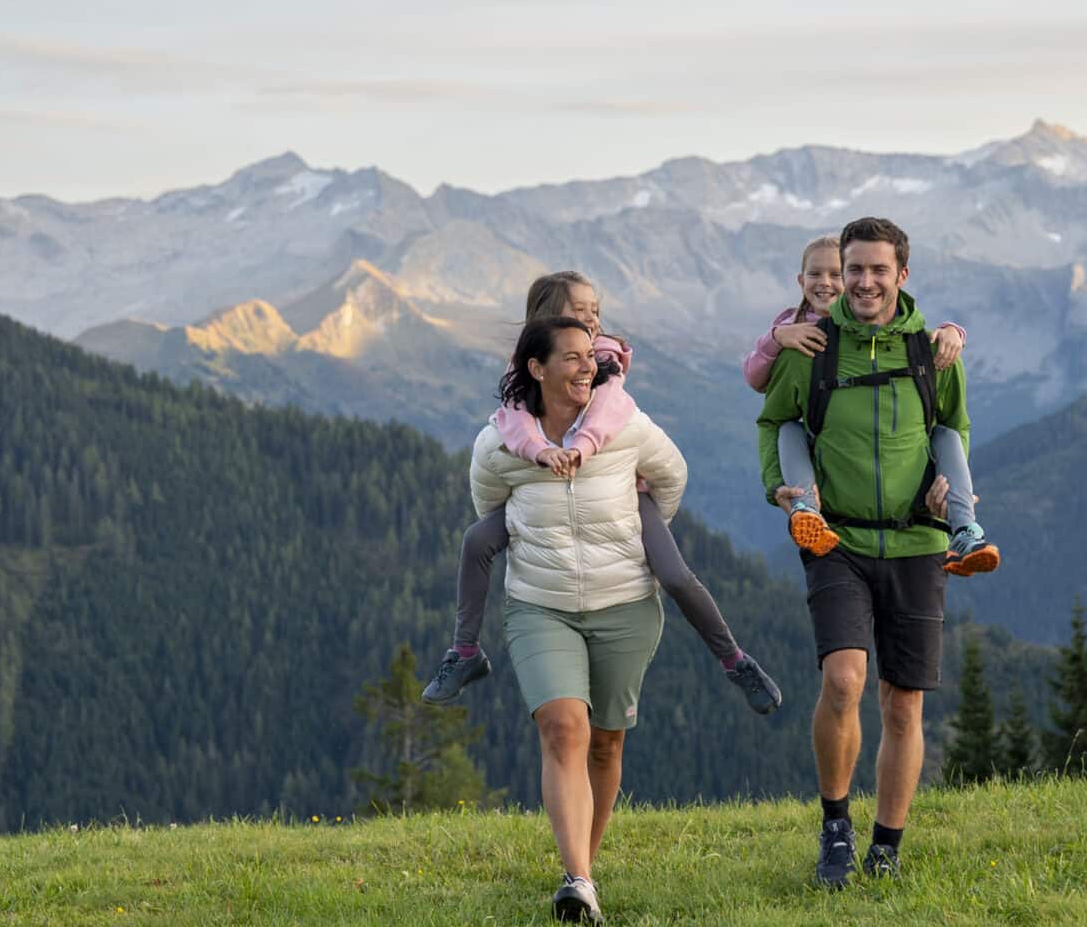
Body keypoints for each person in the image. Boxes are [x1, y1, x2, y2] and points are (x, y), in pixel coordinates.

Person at [424, 271, 782, 714]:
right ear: (547, 318)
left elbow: (614, 415)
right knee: (477, 539)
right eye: (580, 310)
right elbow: (511, 423)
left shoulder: (603, 358)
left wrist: (626, 513)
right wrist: (536, 470)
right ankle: (463, 652)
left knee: (673, 575)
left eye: (596, 311)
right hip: (544, 495)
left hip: (621, 496)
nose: (593, 319)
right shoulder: (528, 364)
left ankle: (735, 659)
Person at [755, 216, 976, 888]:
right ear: (840, 273)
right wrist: (781, 490)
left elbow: (953, 427)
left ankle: (887, 846)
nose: (865, 281)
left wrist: (947, 494)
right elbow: (774, 421)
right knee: (844, 680)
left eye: (879, 270)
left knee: (903, 703)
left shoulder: (931, 351)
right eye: (855, 269)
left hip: (916, 540)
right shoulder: (810, 348)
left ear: (902, 276)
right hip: (835, 539)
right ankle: (835, 828)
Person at [470, 315, 689, 923]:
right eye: (570, 357)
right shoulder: (498, 444)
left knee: (608, 739)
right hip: (539, 605)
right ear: (536, 369)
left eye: (589, 356)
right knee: (565, 728)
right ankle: (578, 878)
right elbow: (488, 509)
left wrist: (637, 537)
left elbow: (671, 478)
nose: (587, 366)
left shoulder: (626, 427)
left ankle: (582, 875)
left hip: (625, 604)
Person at [744, 236, 999, 573]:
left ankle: (965, 526)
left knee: (946, 435)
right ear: (800, 280)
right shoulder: (795, 333)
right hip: (831, 499)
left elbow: (956, 423)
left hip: (916, 538)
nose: (826, 284)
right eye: (816, 275)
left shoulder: (918, 347)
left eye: (837, 274)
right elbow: (762, 395)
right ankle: (806, 508)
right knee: (790, 428)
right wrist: (777, 337)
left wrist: (955, 331)